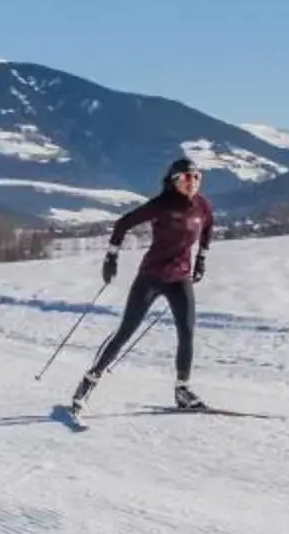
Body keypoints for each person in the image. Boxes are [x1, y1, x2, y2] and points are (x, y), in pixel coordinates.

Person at [73, 157, 214, 412]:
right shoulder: (160, 205)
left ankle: (183, 389)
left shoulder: (201, 206)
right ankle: (89, 381)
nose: (192, 182)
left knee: (187, 331)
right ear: (174, 181)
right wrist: (111, 257)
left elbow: (207, 228)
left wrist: (201, 259)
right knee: (126, 331)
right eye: (185, 177)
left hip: (180, 278)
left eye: (197, 177)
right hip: (152, 277)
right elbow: (122, 224)